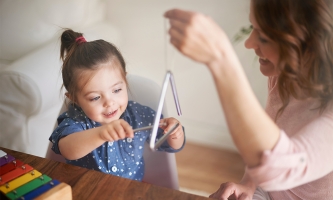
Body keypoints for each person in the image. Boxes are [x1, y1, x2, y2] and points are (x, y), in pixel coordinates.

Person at [164, 0, 333, 199]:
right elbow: (268, 140)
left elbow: (281, 167)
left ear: (310, 45)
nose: (249, 43)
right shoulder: (284, 76)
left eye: (263, 36)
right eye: (253, 28)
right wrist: (249, 184)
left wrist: (221, 59)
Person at [49, 29, 185, 181]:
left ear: (125, 81)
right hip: (85, 191)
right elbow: (68, 149)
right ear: (74, 99)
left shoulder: (139, 115)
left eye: (117, 90)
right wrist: (101, 134)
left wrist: (174, 132)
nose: (109, 102)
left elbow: (170, 144)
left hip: (129, 192)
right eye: (95, 98)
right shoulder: (75, 121)